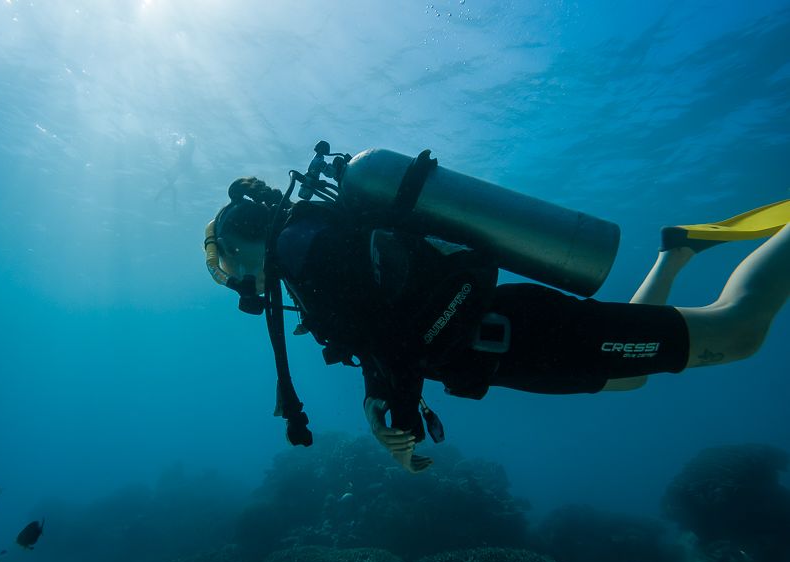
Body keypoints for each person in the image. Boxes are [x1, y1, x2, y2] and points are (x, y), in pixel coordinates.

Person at [206, 167, 790, 473]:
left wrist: (400, 415)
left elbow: (392, 332)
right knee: (632, 374)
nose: (232, 278)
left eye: (224, 265)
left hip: (526, 337)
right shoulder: (306, 252)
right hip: (508, 352)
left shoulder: (304, 250)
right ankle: (675, 252)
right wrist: (376, 404)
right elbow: (380, 323)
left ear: (238, 245)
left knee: (737, 332)